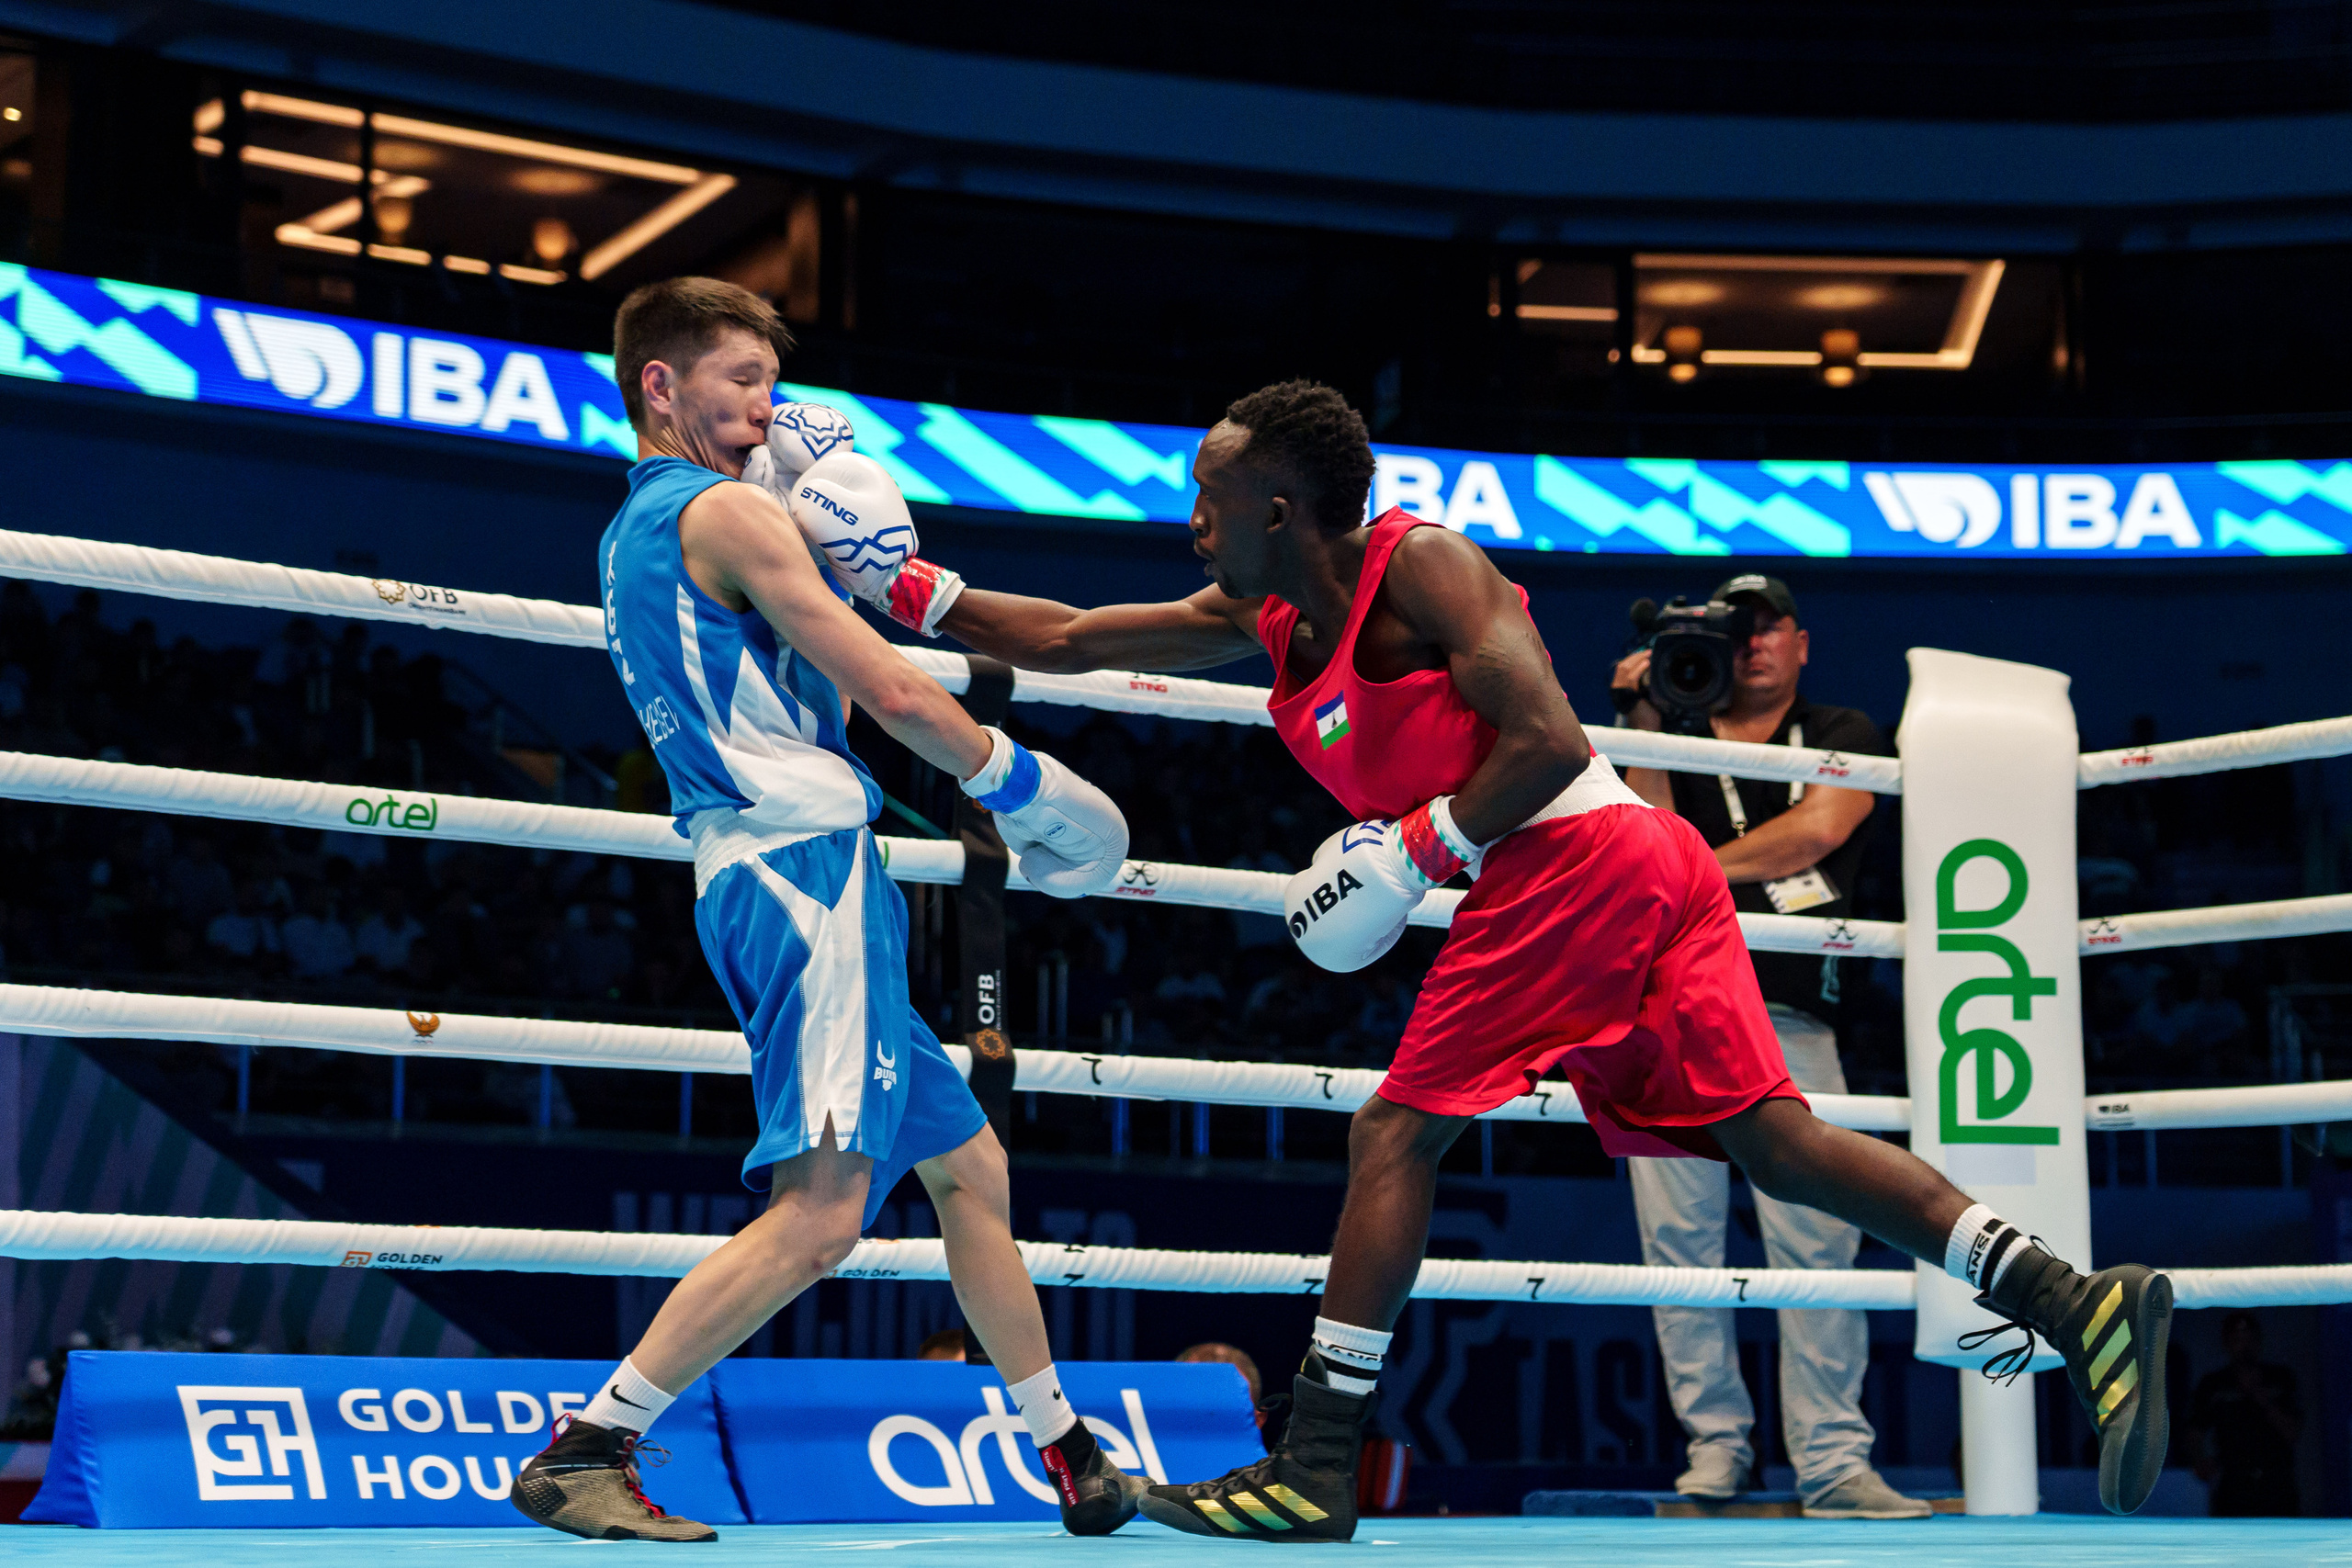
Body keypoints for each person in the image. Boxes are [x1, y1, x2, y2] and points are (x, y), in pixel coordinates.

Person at [896, 378, 2172, 1540]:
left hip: (1580, 858)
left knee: (1395, 1131)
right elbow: (1062, 637)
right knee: (1776, 1140)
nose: (1191, 523)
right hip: (1626, 868)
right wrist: (887, 579)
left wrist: (1415, 851)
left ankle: (1317, 1457)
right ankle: (2070, 1298)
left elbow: (1553, 736)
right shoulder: (1261, 613)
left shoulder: (1426, 567)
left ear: (1280, 508)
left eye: (1208, 499)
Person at [512, 276, 1143, 1543]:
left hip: (767, 870)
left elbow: (826, 701)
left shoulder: (643, 526)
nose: (767, 405)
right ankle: (592, 1445)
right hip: (804, 870)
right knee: (821, 1217)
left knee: (971, 1170)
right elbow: (890, 694)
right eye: (742, 379)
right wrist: (1019, 783)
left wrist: (839, 553)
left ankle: (1066, 1448)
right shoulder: (729, 511)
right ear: (662, 384)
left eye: (769, 381)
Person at [1609, 577, 1918, 1517]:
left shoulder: (1845, 728)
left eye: (1765, 626)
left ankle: (1831, 1464)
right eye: (1730, 630)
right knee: (1677, 1247)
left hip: (1792, 1019)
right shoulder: (1675, 724)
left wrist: (1693, 872)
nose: (1747, 644)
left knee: (1818, 1240)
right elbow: (1639, 836)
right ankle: (1714, 1454)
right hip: (1665, 1012)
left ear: (1800, 641)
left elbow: (1820, 832)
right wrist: (1637, 714)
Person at [2189, 1311, 2302, 1517]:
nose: (2245, 1346)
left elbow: (2294, 1433)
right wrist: (2201, 1461)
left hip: (2277, 1484)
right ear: (2226, 1343)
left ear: (2259, 1341)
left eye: (2250, 1338)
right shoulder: (2215, 1385)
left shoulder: (2280, 1379)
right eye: (2237, 1340)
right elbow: (2195, 1431)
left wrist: (2263, 1398)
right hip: (2233, 1485)